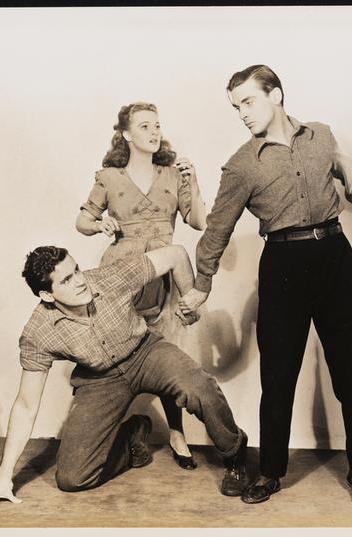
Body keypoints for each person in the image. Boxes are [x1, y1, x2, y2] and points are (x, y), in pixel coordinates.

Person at [179, 65, 352, 510]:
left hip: (334, 257)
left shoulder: (321, 136)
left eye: (248, 102)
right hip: (282, 266)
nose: (242, 114)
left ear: (276, 95)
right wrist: (202, 285)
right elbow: (218, 228)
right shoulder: (241, 165)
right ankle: (270, 471)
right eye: (236, 107)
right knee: (278, 376)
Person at [0, 244, 248, 504]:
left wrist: (189, 299)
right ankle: (132, 436)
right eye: (67, 280)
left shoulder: (111, 277)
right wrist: (4, 477)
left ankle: (235, 455)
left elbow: (176, 254)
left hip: (145, 352)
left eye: (77, 270)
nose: (80, 281)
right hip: (100, 379)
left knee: (199, 386)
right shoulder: (38, 333)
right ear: (47, 295)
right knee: (72, 478)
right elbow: (26, 406)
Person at [75, 102, 207, 469]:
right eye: (145, 126)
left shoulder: (173, 175)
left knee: (168, 355)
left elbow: (199, 221)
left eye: (157, 125)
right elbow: (82, 221)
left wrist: (194, 182)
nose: (154, 131)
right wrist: (98, 225)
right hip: (121, 276)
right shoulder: (109, 177)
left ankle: (177, 434)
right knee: (112, 353)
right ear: (126, 134)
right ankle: (110, 431)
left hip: (165, 275)